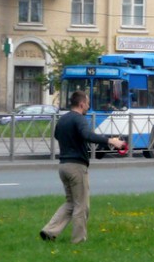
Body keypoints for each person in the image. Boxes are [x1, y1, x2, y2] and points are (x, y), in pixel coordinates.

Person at [39, 90, 125, 244]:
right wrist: (111, 141)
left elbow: (57, 136)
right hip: (76, 167)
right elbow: (87, 135)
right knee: (81, 206)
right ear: (81, 104)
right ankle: (78, 240)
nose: (88, 106)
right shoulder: (79, 119)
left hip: (63, 166)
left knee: (71, 202)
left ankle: (49, 231)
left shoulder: (63, 120)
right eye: (87, 103)